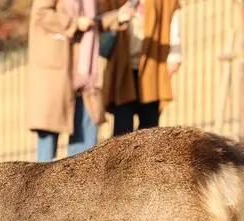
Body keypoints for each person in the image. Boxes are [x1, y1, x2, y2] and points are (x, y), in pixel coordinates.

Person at [28, 0, 132, 162]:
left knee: (84, 152)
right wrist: (74, 23)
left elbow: (91, 23)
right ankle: (40, 188)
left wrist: (116, 17)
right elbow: (41, 14)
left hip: (86, 78)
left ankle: (78, 186)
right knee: (46, 153)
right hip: (56, 73)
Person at [100, 0, 181, 135]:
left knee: (149, 128)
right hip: (123, 69)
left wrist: (175, 55)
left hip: (152, 68)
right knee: (122, 130)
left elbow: (173, 19)